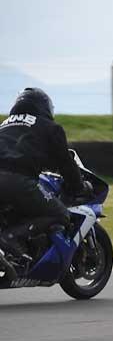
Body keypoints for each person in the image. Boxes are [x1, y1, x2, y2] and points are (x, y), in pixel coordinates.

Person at [0, 88, 87, 259]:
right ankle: (11, 237)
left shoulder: (3, 126)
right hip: (18, 181)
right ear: (42, 105)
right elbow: (65, 163)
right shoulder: (49, 127)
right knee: (60, 214)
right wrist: (78, 186)